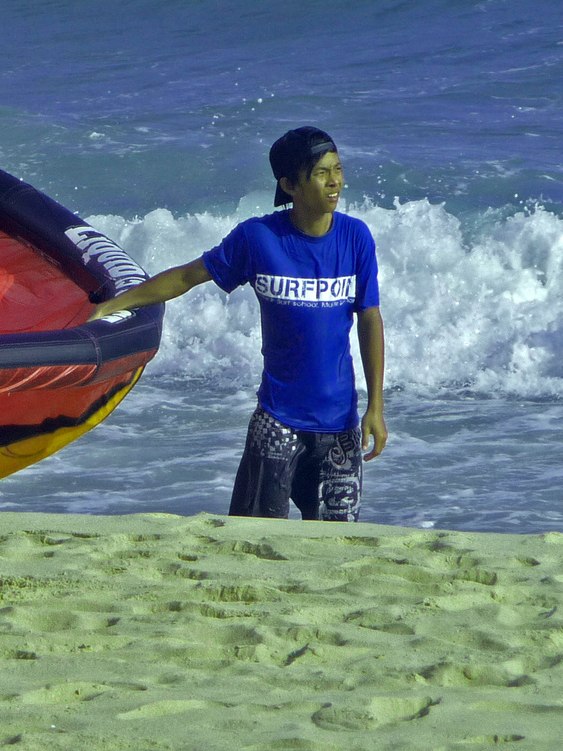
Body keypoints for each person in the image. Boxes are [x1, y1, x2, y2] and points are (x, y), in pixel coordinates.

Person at [96, 126, 386, 521]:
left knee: (339, 543)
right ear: (289, 185)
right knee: (253, 536)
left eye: (337, 169)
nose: (335, 181)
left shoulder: (356, 238)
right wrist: (117, 303)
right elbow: (187, 276)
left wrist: (376, 406)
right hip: (277, 420)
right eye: (321, 173)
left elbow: (370, 317)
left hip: (340, 425)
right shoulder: (258, 238)